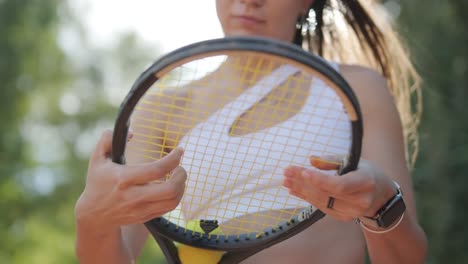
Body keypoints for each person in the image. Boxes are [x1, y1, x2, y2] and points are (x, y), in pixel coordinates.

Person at [74, 0, 428, 263]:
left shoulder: (358, 89)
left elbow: (406, 258)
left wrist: (381, 204)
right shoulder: (161, 108)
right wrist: (92, 219)